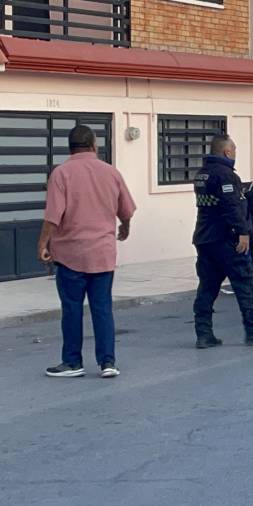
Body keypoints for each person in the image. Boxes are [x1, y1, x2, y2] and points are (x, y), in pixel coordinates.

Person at [40, 125, 136, 378]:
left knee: (72, 309)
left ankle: (72, 362)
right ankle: (108, 362)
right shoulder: (111, 173)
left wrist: (43, 244)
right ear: (94, 145)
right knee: (102, 308)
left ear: (70, 147)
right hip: (102, 254)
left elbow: (52, 216)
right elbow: (125, 210)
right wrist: (124, 229)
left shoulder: (61, 174)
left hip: (70, 255)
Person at [192, 134, 253, 348]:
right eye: (234, 150)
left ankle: (203, 334)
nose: (235, 154)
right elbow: (230, 205)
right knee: (245, 283)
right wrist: (242, 232)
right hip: (227, 239)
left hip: (205, 238)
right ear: (227, 152)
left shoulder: (202, 174)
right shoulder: (225, 175)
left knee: (207, 287)